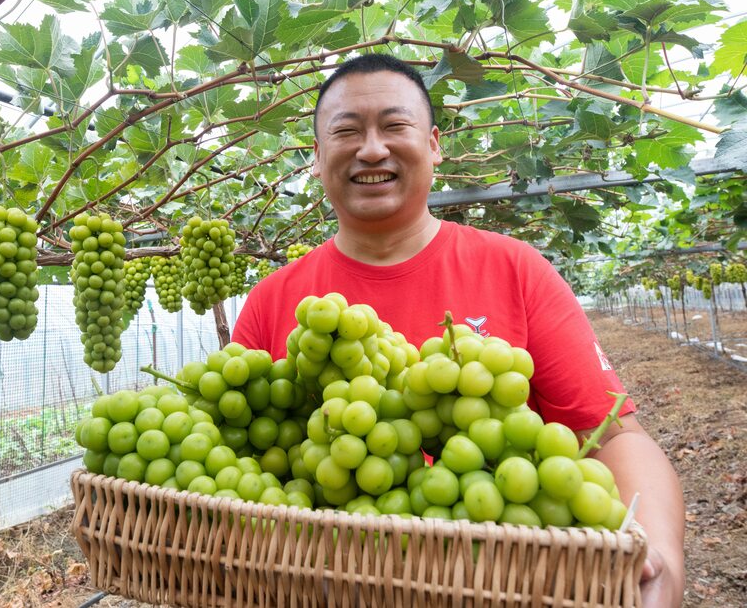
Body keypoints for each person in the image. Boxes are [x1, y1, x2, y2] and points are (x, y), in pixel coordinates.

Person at [231, 53, 684, 606]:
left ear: (435, 145)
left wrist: (660, 553)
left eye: (395, 126)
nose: (371, 149)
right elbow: (235, 468)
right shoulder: (273, 299)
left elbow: (614, 436)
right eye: (346, 132)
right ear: (317, 156)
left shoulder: (516, 268)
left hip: (499, 584)